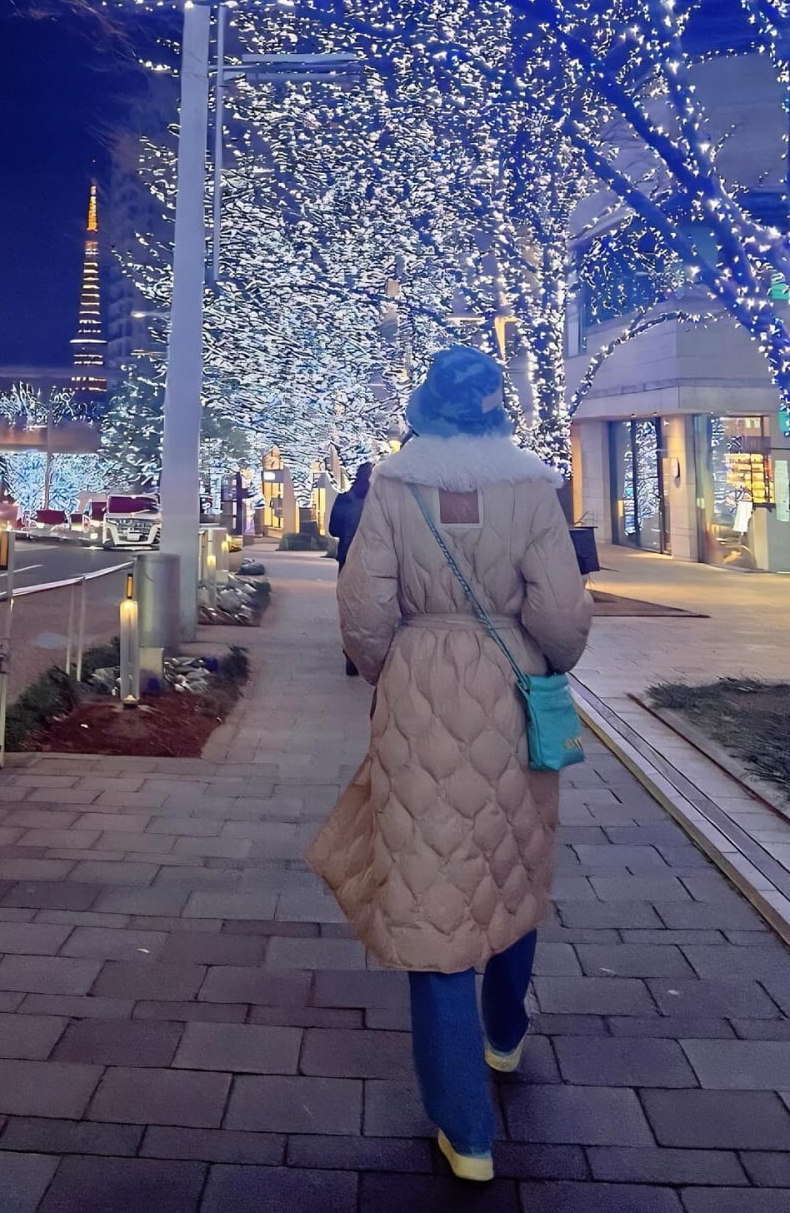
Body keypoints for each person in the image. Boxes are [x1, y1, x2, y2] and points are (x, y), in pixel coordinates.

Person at [308, 346, 592, 1183]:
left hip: (419, 692)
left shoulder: (395, 486)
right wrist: (539, 657)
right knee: (513, 857)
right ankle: (505, 1035)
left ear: (424, 408)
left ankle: (467, 1133)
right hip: (513, 690)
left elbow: (363, 609)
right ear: (497, 411)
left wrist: (389, 666)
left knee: (430, 896)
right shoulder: (532, 488)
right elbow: (564, 614)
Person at [328, 461, 374, 676]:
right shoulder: (377, 503)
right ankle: (360, 654)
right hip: (369, 560)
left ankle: (352, 654)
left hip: (349, 558)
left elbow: (333, 529)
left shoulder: (345, 499)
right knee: (368, 607)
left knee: (349, 608)